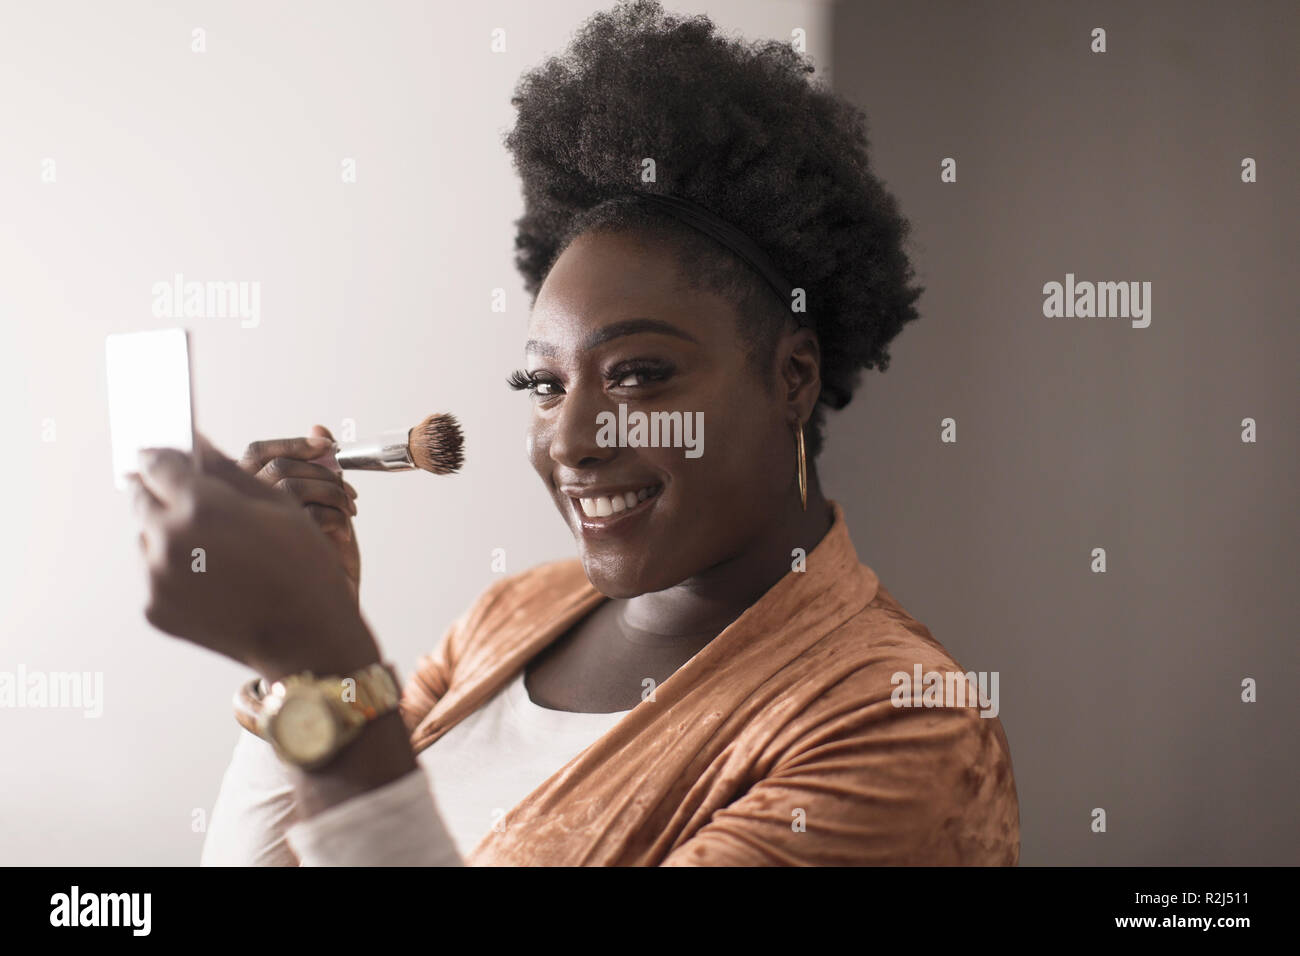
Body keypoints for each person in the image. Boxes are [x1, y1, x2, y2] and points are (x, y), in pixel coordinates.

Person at [129, 0, 1019, 866]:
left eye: (637, 375)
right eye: (544, 386)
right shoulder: (509, 618)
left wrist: (323, 656)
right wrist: (302, 674)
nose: (570, 440)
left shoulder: (896, 723)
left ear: (792, 375)